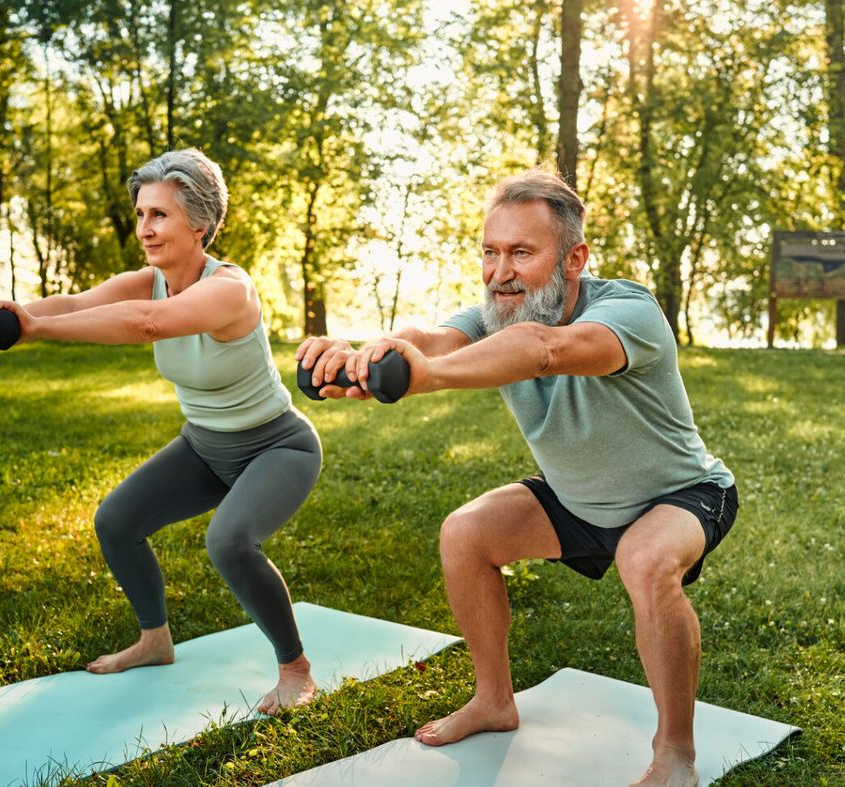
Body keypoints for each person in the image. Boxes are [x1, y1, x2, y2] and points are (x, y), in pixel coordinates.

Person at [297, 169, 737, 786]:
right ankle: (494, 700)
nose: (500, 271)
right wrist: (370, 354)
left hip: (679, 495)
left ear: (574, 258)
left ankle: (675, 754)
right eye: (491, 251)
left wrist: (425, 376)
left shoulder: (627, 310)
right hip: (577, 497)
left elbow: (545, 349)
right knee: (466, 534)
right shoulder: (498, 311)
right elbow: (434, 337)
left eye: (522, 253)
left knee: (644, 559)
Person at [0, 148, 320, 715]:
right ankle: (154, 640)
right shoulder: (148, 280)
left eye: (160, 215)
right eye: (141, 214)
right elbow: (74, 302)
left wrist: (35, 329)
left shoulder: (230, 289)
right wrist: (3, 311)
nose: (145, 228)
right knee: (117, 521)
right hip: (205, 445)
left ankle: (296, 669)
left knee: (230, 541)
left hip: (277, 445)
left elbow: (149, 326)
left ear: (200, 223)